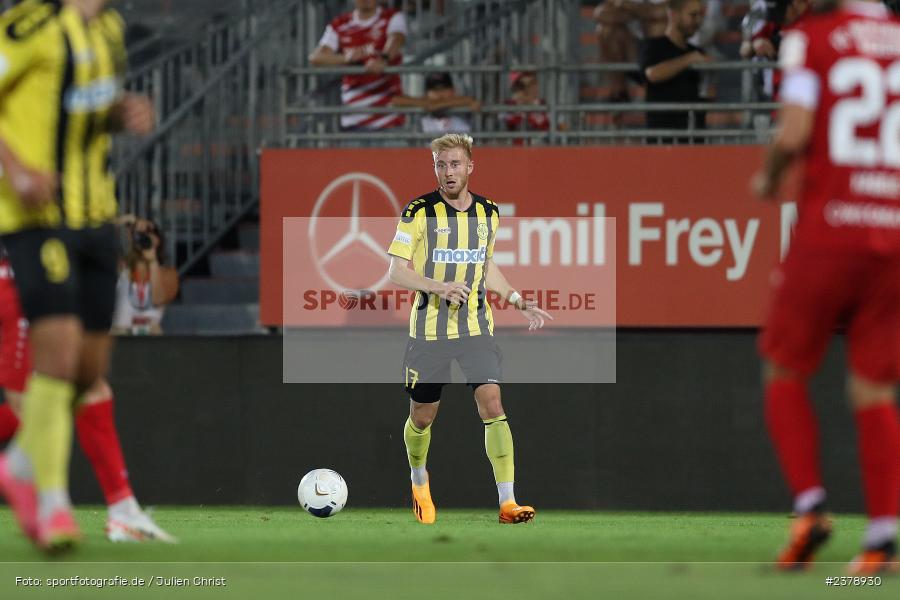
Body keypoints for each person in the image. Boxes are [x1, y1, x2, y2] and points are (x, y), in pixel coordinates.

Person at [751, 0, 900, 574]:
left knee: (784, 368)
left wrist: (768, 176)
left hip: (830, 229)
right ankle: (881, 539)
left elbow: (794, 131)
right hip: (891, 235)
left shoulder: (809, 37)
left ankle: (810, 508)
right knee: (874, 390)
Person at [0, 0, 154, 553]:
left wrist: (120, 114)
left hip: (96, 215)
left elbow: (85, 110)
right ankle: (53, 505)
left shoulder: (110, 27)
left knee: (88, 371)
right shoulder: (26, 27)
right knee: (58, 357)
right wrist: (16, 170)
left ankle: (18, 464)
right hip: (37, 217)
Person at [386, 133, 552, 525]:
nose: (448, 172)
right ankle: (419, 478)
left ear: (470, 166)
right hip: (429, 333)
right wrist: (439, 287)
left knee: (492, 402)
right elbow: (396, 271)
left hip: (476, 328)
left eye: (455, 164)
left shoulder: (489, 213)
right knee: (422, 416)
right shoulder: (418, 211)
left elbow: (485, 265)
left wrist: (517, 299)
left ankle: (508, 503)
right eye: (441, 165)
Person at [0, 242, 175, 543]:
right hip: (26, 261)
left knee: (88, 383)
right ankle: (75, 508)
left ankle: (116, 509)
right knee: (35, 402)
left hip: (72, 255)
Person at [308, 0, 408, 131]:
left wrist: (383, 59)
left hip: (389, 119)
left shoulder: (392, 16)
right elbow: (316, 58)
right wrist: (346, 58)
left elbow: (396, 39)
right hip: (353, 119)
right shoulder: (339, 24)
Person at [639, 0, 712, 141]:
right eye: (693, 15)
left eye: (699, 15)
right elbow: (652, 74)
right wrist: (688, 59)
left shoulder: (697, 52)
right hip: (661, 139)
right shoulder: (654, 46)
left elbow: (707, 93)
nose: (697, 21)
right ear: (673, 15)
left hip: (694, 139)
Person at [111, 216, 179, 335]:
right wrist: (122, 221)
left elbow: (158, 300)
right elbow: (95, 242)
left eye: (149, 231)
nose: (143, 235)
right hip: (120, 333)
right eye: (139, 233)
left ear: (158, 239)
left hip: (151, 334)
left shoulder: (168, 273)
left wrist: (152, 261)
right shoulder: (121, 268)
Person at [390, 72, 481, 134]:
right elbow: (396, 100)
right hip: (426, 155)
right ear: (426, 94)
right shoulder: (421, 110)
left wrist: (436, 104)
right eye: (435, 90)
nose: (440, 94)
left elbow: (475, 102)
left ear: (453, 91)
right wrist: (428, 103)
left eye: (444, 89)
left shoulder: (464, 107)